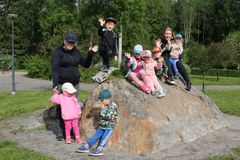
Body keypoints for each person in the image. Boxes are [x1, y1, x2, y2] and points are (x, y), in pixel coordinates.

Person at [51, 32, 98, 141]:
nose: (70, 44)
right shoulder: (58, 52)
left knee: (72, 109)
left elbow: (86, 65)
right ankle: (61, 132)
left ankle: (72, 132)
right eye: (69, 42)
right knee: (61, 108)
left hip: (74, 85)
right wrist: (55, 85)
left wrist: (90, 53)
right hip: (62, 85)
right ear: (64, 41)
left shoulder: (76, 52)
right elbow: (55, 69)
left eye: (72, 43)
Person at [76, 89, 118, 156]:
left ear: (108, 99)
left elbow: (108, 116)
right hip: (102, 125)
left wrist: (102, 109)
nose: (100, 101)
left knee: (104, 138)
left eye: (102, 100)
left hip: (109, 126)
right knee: (96, 136)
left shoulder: (112, 106)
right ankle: (87, 145)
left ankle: (99, 149)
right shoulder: (105, 105)